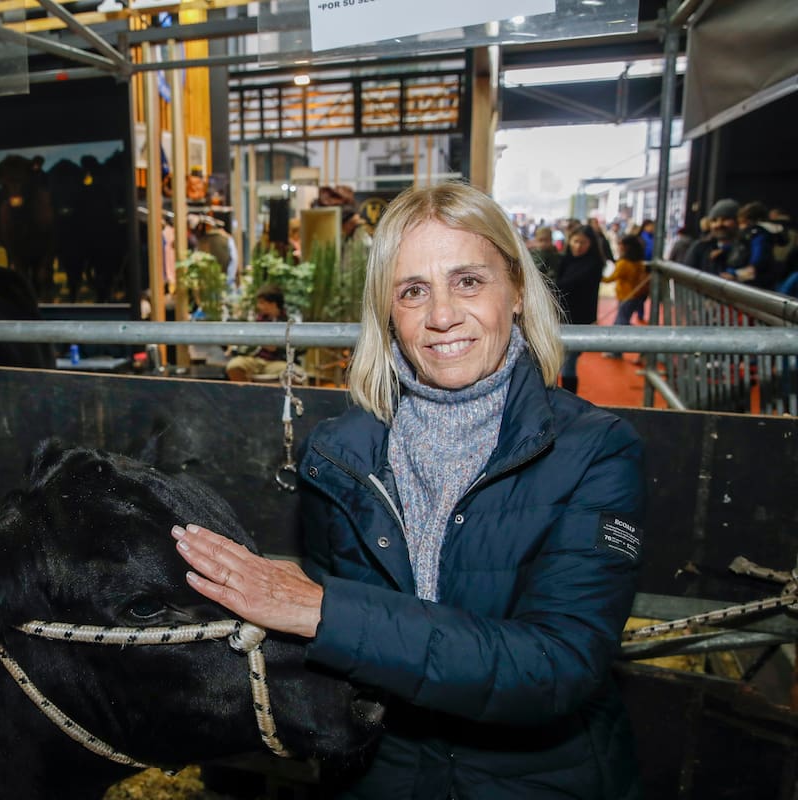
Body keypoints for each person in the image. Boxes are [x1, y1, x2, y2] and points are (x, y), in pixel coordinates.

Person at [173, 182, 644, 799]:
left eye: (469, 281)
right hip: (381, 772)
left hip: (537, 779)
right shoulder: (339, 457)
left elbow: (558, 664)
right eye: (413, 291)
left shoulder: (595, 450)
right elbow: (337, 668)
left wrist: (323, 611)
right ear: (388, 313)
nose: (442, 315)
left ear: (519, 292)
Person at [554, 225, 605, 393]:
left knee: (567, 364)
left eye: (583, 242)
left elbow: (566, 284)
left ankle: (568, 401)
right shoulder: (566, 259)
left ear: (591, 244)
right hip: (560, 317)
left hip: (579, 320)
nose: (578, 246)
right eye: (575, 241)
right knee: (556, 362)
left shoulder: (593, 264)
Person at [225, 283, 288, 382]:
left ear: (273, 304)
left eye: (262, 303)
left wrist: (277, 346)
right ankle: (247, 394)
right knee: (234, 366)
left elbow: (294, 346)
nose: (259, 306)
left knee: (293, 373)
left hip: (277, 362)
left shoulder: (287, 321)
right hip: (256, 359)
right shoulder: (259, 320)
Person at [601, 234, 649, 359]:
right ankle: (618, 351)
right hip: (635, 296)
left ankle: (645, 343)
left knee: (621, 325)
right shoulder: (638, 262)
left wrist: (597, 277)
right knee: (622, 323)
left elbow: (610, 278)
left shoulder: (623, 263)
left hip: (626, 297)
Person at [684, 198, 743, 278]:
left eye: (725, 219)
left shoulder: (747, 248)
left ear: (738, 221)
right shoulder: (700, 247)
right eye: (714, 220)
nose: (719, 224)